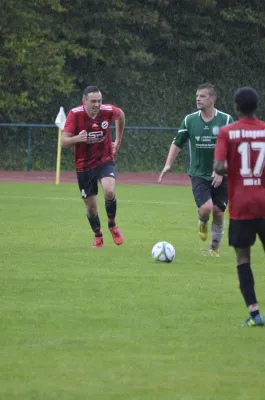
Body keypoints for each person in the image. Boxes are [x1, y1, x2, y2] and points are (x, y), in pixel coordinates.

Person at [158, 83, 233, 256]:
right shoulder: (190, 119)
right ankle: (202, 221)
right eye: (197, 95)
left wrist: (222, 170)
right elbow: (178, 142)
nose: (198, 98)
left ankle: (214, 248)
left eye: (203, 96)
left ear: (212, 99)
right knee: (206, 209)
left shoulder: (226, 120)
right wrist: (168, 164)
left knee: (219, 212)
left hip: (223, 173)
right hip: (198, 173)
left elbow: (233, 148)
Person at [214, 87, 265, 327]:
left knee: (243, 258)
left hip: (242, 205)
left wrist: (231, 166)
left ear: (236, 107)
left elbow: (219, 167)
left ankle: (255, 314)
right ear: (257, 106)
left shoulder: (227, 132)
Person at [61, 85, 125, 248]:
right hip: (84, 166)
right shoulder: (75, 115)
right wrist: (77, 138)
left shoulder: (108, 110)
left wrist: (118, 140)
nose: (97, 104)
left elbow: (121, 116)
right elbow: (63, 142)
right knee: (91, 208)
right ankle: (98, 235)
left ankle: (112, 224)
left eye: (99, 101)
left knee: (109, 190)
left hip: (104, 159)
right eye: (93, 101)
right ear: (84, 101)